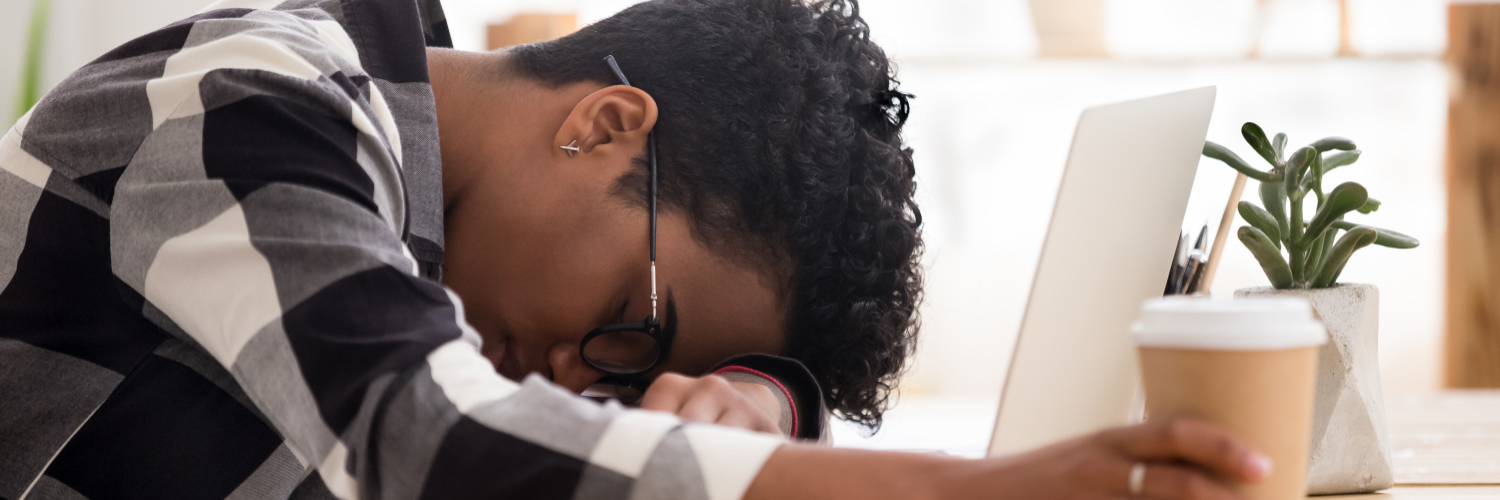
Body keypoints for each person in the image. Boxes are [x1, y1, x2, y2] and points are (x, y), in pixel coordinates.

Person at [0, 0, 1271, 498]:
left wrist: (765, 390)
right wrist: (962, 490)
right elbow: (421, 431)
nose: (572, 372)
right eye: (631, 326)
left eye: (623, 369)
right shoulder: (260, 101)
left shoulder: (419, 218)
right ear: (606, 126)